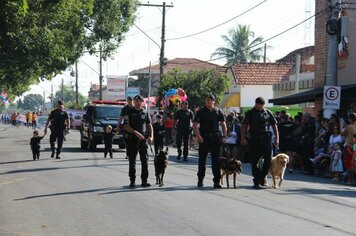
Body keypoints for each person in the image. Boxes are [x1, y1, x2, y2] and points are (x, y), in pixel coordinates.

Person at [240, 97, 279, 189]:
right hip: (255, 140)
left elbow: (274, 125)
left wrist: (277, 138)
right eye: (258, 105)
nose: (260, 107)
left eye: (261, 105)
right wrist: (242, 138)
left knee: (268, 160)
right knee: (255, 162)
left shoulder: (267, 112)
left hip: (266, 139)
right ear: (255, 104)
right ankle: (256, 180)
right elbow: (243, 126)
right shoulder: (250, 113)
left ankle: (262, 177)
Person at [193, 94, 227, 189]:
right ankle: (200, 179)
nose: (209, 102)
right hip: (204, 139)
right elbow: (195, 125)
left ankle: (217, 181)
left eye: (211, 100)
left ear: (214, 102)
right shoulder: (200, 112)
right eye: (207, 100)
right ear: (205, 101)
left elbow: (223, 124)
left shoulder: (218, 111)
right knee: (202, 160)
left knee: (216, 161)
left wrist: (224, 136)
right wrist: (198, 136)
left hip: (215, 139)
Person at [123, 95, 153, 188]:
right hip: (132, 139)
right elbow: (126, 126)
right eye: (136, 101)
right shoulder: (129, 112)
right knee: (132, 161)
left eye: (139, 101)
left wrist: (151, 136)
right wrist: (136, 133)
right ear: (134, 102)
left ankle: (144, 180)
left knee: (145, 160)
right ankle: (132, 181)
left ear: (142, 102)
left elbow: (149, 125)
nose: (137, 102)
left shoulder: (145, 112)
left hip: (143, 140)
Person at [341, 113, 356, 184]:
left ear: (350, 119)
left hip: (349, 146)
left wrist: (342, 126)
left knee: (349, 163)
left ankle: (350, 179)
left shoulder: (349, 126)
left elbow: (342, 134)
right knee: (354, 163)